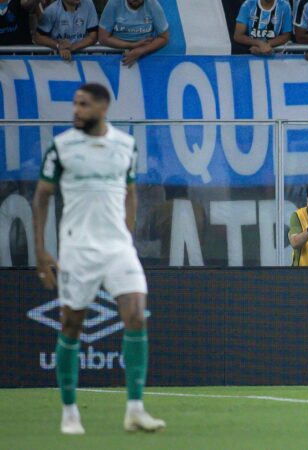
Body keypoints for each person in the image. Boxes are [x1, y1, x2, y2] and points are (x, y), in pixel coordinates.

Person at [31, 83, 164, 434]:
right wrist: (41, 250)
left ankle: (135, 409)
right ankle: (70, 412)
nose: (75, 110)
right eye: (74, 104)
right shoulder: (62, 148)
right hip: (78, 248)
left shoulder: (125, 146)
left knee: (136, 314)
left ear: (102, 108)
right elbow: (42, 197)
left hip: (118, 247)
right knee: (72, 324)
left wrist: (128, 235)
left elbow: (130, 192)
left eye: (83, 104)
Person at [98, 0, 169, 67]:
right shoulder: (114, 3)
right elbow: (103, 38)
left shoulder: (152, 4)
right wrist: (132, 45)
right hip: (116, 54)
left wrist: (140, 51)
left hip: (144, 55)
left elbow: (164, 38)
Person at [33, 0, 98, 61]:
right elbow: (38, 37)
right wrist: (58, 45)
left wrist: (72, 47)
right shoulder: (52, 10)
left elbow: (93, 36)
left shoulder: (88, 4)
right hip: (58, 60)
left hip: (84, 59)